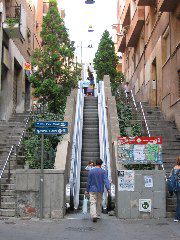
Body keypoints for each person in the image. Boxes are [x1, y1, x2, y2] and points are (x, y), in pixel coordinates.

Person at [170, 156, 180, 222]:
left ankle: (177, 217)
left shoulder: (174, 168)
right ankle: (177, 217)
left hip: (175, 187)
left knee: (178, 201)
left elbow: (170, 176)